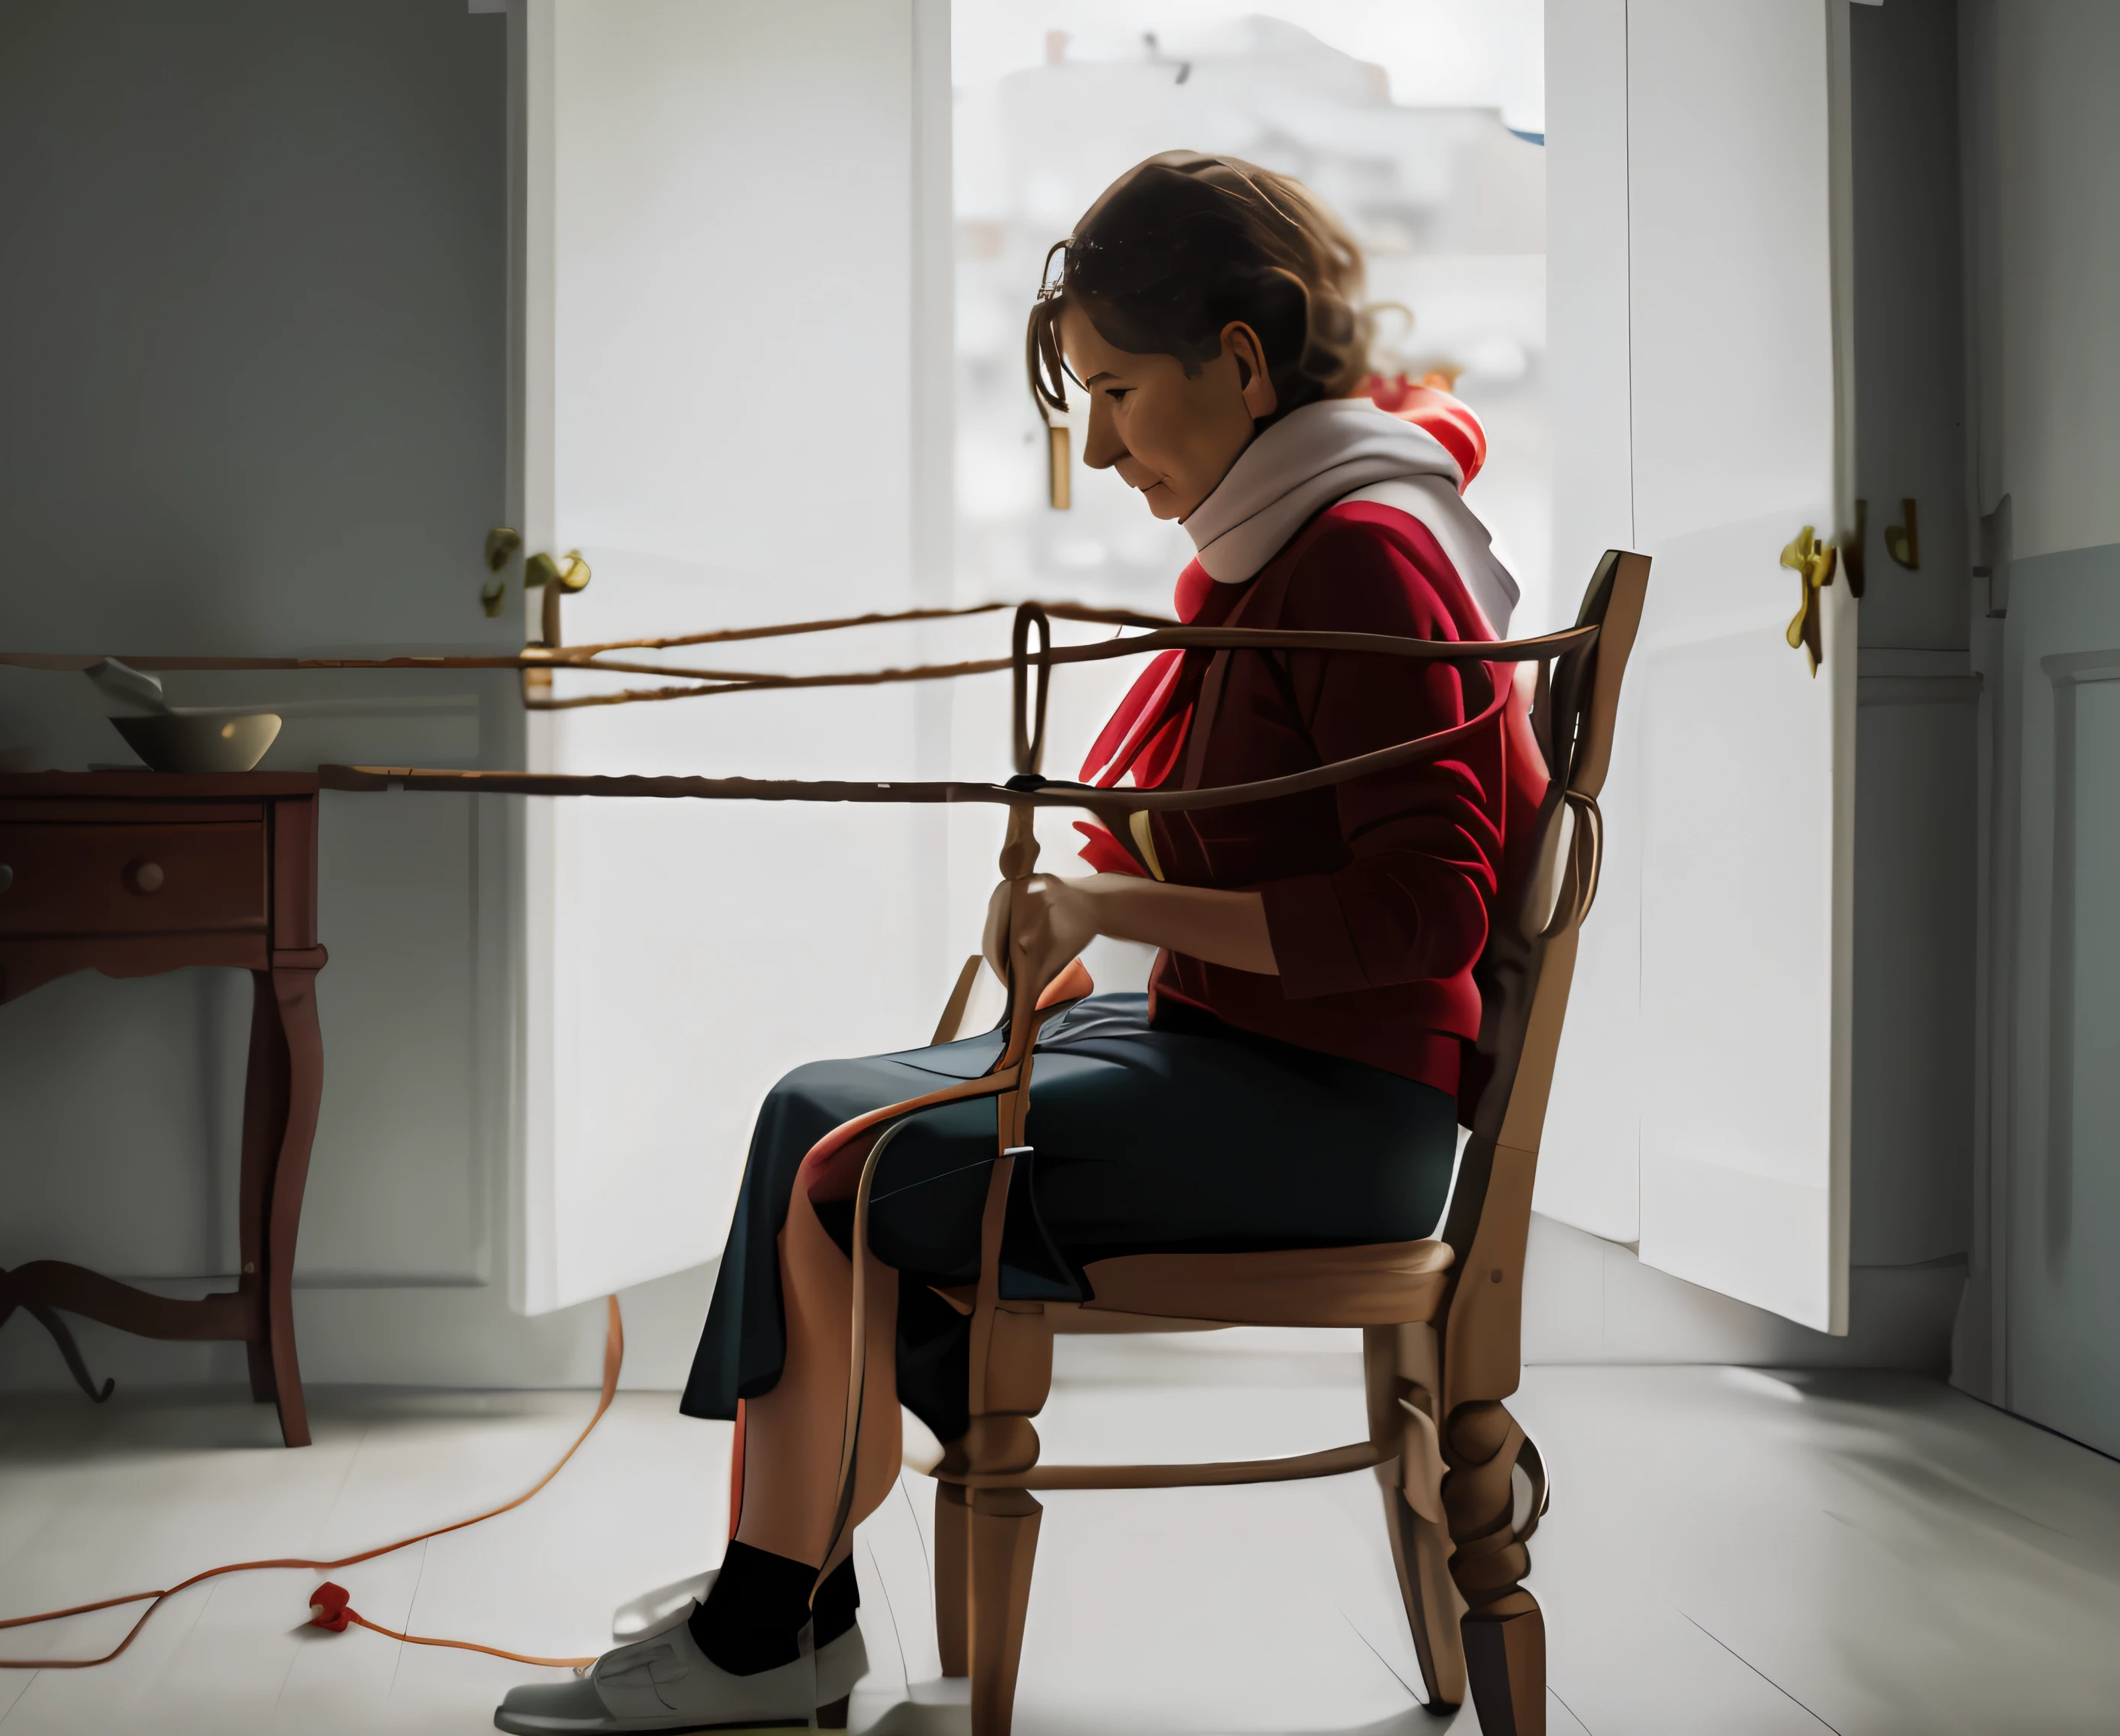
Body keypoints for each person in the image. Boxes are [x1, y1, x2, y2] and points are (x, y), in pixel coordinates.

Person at [496, 150, 1545, 1735]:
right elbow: (1296, 858)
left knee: (836, 1152)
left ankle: (767, 1620)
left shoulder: (1360, 556)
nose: (1105, 446)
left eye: (1119, 392)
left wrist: (1113, 908)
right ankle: (784, 1602)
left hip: (1335, 1126)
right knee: (814, 1113)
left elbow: (1427, 915)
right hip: (1252, 1065)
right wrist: (1105, 952)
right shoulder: (1297, 533)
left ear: (1241, 360)